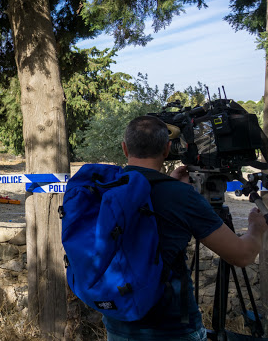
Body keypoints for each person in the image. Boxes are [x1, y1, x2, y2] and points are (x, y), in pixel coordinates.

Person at [104, 115, 268, 341]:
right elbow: (242, 255)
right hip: (172, 328)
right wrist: (256, 227)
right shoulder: (180, 197)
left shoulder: (107, 188)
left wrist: (169, 182)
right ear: (167, 149)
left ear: (124, 148)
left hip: (118, 322)